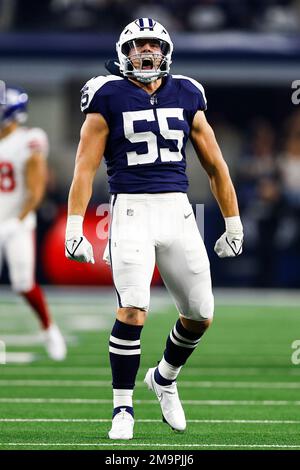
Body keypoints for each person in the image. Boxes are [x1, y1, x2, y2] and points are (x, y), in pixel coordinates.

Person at [65, 18, 243, 440]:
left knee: (200, 314)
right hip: (130, 211)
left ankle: (164, 378)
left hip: (177, 211)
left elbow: (215, 165)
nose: (146, 52)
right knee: (133, 308)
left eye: (153, 45)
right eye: (138, 45)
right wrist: (76, 226)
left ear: (167, 51)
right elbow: (84, 168)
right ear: (123, 52)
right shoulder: (106, 94)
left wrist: (233, 222)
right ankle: (122, 409)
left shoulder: (187, 92)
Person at [0, 86, 67, 361]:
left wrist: (16, 220)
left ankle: (49, 329)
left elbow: (36, 187)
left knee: (23, 284)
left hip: (17, 222)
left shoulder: (29, 140)